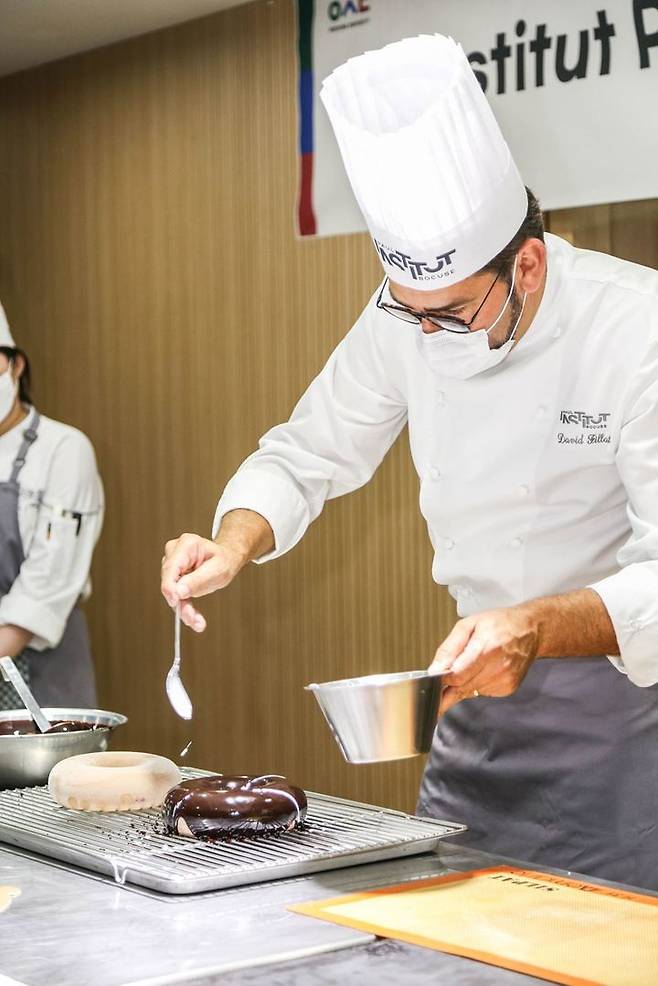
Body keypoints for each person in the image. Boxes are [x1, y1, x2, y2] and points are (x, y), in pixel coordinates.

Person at [161, 36, 658, 889]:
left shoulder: (636, 329)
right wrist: (234, 541)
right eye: (411, 311)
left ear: (528, 264)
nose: (429, 337)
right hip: (468, 710)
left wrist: (534, 625)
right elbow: (308, 448)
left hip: (619, 720)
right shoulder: (407, 317)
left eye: (455, 314)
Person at [0, 301, 104, 709]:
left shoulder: (65, 450)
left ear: (16, 365)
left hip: (44, 670)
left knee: (44, 774)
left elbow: (45, 586)